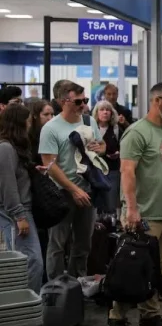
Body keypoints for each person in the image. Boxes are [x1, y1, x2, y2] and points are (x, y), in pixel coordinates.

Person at [104, 82, 162, 326]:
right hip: (143, 214)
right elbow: (127, 172)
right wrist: (131, 209)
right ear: (157, 101)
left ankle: (149, 316)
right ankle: (115, 319)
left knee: (157, 269)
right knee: (133, 269)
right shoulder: (137, 133)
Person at [39, 82, 105, 280]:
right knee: (57, 243)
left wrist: (98, 148)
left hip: (89, 189)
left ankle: (79, 284)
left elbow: (102, 145)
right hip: (61, 193)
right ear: (63, 101)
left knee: (84, 243)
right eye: (78, 101)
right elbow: (50, 165)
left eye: (84, 100)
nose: (83, 105)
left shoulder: (88, 121)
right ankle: (57, 287)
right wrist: (74, 190)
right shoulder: (51, 129)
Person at [0, 104, 43, 294]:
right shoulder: (6, 149)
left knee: (28, 260)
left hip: (21, 210)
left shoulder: (14, 148)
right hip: (15, 213)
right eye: (27, 120)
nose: (30, 124)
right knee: (30, 261)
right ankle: (26, 302)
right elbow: (7, 185)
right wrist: (19, 216)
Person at [27, 99, 54, 283]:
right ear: (35, 116)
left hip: (47, 192)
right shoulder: (28, 138)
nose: (50, 118)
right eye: (46, 114)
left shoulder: (49, 134)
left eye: (52, 114)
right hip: (32, 194)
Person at [92, 100, 122, 216]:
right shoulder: (91, 129)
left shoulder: (116, 129)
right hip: (95, 170)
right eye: (102, 110)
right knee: (97, 203)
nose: (105, 112)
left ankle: (112, 226)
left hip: (112, 169)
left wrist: (118, 152)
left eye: (108, 110)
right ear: (97, 113)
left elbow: (123, 145)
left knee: (111, 202)